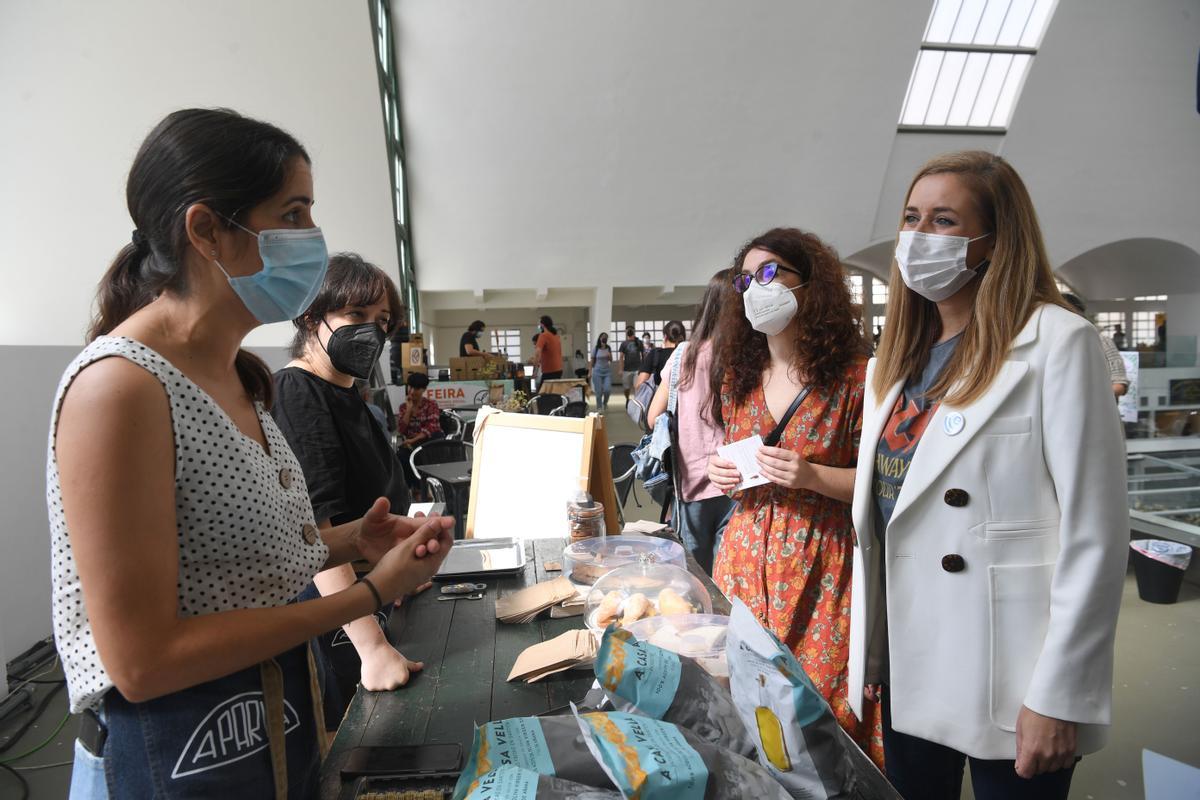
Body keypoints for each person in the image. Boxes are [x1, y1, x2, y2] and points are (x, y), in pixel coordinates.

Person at [49, 108, 453, 800]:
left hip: (269, 721)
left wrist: (353, 538)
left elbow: (228, 564)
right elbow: (143, 661)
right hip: (177, 751)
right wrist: (367, 594)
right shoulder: (121, 388)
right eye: (292, 213)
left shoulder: (239, 378)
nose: (311, 240)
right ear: (207, 229)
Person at [849, 151, 1127, 799]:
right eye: (911, 218)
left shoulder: (1058, 343)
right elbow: (885, 525)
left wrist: (1061, 695)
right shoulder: (890, 365)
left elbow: (1096, 535)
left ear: (995, 242)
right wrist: (874, 651)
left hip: (1011, 673)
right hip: (911, 664)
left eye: (944, 221)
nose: (919, 237)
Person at [705, 228, 880, 765]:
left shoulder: (857, 378)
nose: (755, 288)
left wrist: (813, 477)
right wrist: (721, 472)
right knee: (751, 707)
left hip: (824, 569)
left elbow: (884, 487)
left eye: (769, 272)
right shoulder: (738, 374)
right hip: (743, 563)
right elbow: (738, 461)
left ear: (810, 285)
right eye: (745, 279)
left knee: (822, 711)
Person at [271, 252, 423, 733]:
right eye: (356, 315)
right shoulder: (298, 395)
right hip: (340, 613)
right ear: (312, 317)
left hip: (370, 597)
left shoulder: (346, 392)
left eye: (382, 321)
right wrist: (371, 647)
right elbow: (320, 530)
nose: (372, 332)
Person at [647, 271, 735, 574]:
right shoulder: (749, 357)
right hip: (737, 482)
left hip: (691, 482)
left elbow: (652, 416)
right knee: (729, 575)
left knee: (694, 575)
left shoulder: (684, 354)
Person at [1062, 293, 1129, 400]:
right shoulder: (1052, 344)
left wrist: (1090, 400)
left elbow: (1119, 384)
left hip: (1098, 412)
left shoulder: (1101, 341)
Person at [396, 372, 443, 494]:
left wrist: (412, 440)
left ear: (423, 390)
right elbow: (401, 430)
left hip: (427, 441)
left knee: (422, 452)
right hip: (411, 443)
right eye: (410, 387)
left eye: (416, 388)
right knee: (402, 457)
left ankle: (423, 490)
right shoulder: (403, 407)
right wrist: (409, 410)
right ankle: (416, 489)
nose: (411, 391)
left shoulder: (431, 405)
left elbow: (432, 427)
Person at [636, 320, 685, 389]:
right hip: (683, 398)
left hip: (658, 397)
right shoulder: (689, 355)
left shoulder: (656, 354)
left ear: (665, 337)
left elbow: (639, 384)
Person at [617, 326, 645, 408]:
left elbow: (643, 355)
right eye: (628, 330)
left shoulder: (639, 342)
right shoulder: (624, 344)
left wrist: (643, 367)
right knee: (626, 388)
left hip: (637, 368)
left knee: (637, 386)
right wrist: (620, 369)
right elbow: (621, 357)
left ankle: (636, 402)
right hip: (627, 369)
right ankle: (627, 399)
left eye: (631, 330)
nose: (629, 332)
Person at [531, 315, 563, 380]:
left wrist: (534, 371)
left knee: (543, 390)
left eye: (539, 324)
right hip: (559, 370)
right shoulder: (556, 336)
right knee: (553, 390)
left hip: (549, 371)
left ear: (542, 325)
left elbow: (537, 354)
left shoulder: (543, 335)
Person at [590, 333, 613, 412]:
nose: (604, 339)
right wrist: (590, 372)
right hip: (597, 371)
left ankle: (605, 403)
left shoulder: (608, 348)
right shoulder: (596, 348)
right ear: (600, 338)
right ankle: (599, 407)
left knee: (607, 390)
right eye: (603, 337)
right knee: (598, 391)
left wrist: (609, 355)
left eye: (606, 338)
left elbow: (611, 360)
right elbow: (592, 361)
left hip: (607, 372)